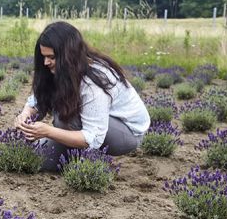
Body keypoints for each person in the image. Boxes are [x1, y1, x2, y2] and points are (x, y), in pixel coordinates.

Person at [13, 21, 150, 171]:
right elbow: (37, 100)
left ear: (68, 56)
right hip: (85, 125)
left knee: (65, 115)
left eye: (51, 57)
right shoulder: (62, 70)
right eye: (43, 56)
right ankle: (76, 154)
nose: (46, 62)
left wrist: (48, 131)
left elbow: (93, 137)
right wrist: (25, 114)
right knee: (37, 159)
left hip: (126, 132)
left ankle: (86, 158)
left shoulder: (93, 81)